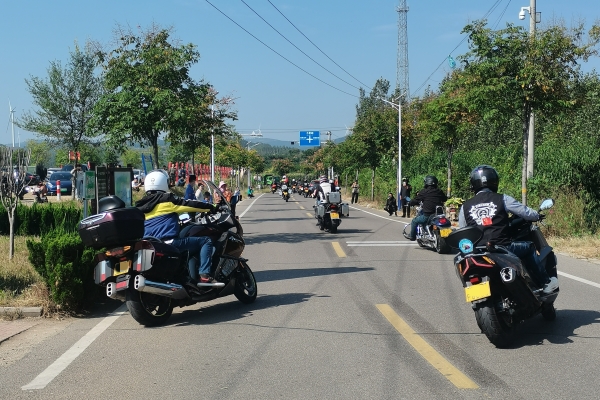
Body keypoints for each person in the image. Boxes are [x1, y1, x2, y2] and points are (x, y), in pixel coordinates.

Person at [458, 165, 559, 294]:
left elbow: (463, 229)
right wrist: (537, 215)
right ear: (494, 181)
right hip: (502, 247)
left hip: (478, 252)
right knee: (529, 247)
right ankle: (545, 282)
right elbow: (525, 212)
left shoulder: (465, 207)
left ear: (473, 184)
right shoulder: (502, 198)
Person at [135, 170, 218, 285]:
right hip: (168, 243)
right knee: (206, 241)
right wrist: (212, 207)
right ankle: (204, 275)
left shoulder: (140, 206)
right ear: (164, 183)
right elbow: (191, 204)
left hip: (149, 245)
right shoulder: (167, 200)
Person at [408, 175, 447, 241]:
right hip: (439, 215)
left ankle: (412, 236)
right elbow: (444, 199)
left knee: (414, 221)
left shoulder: (424, 191)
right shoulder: (439, 191)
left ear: (427, 182)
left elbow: (416, 200)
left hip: (428, 215)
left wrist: (410, 203)